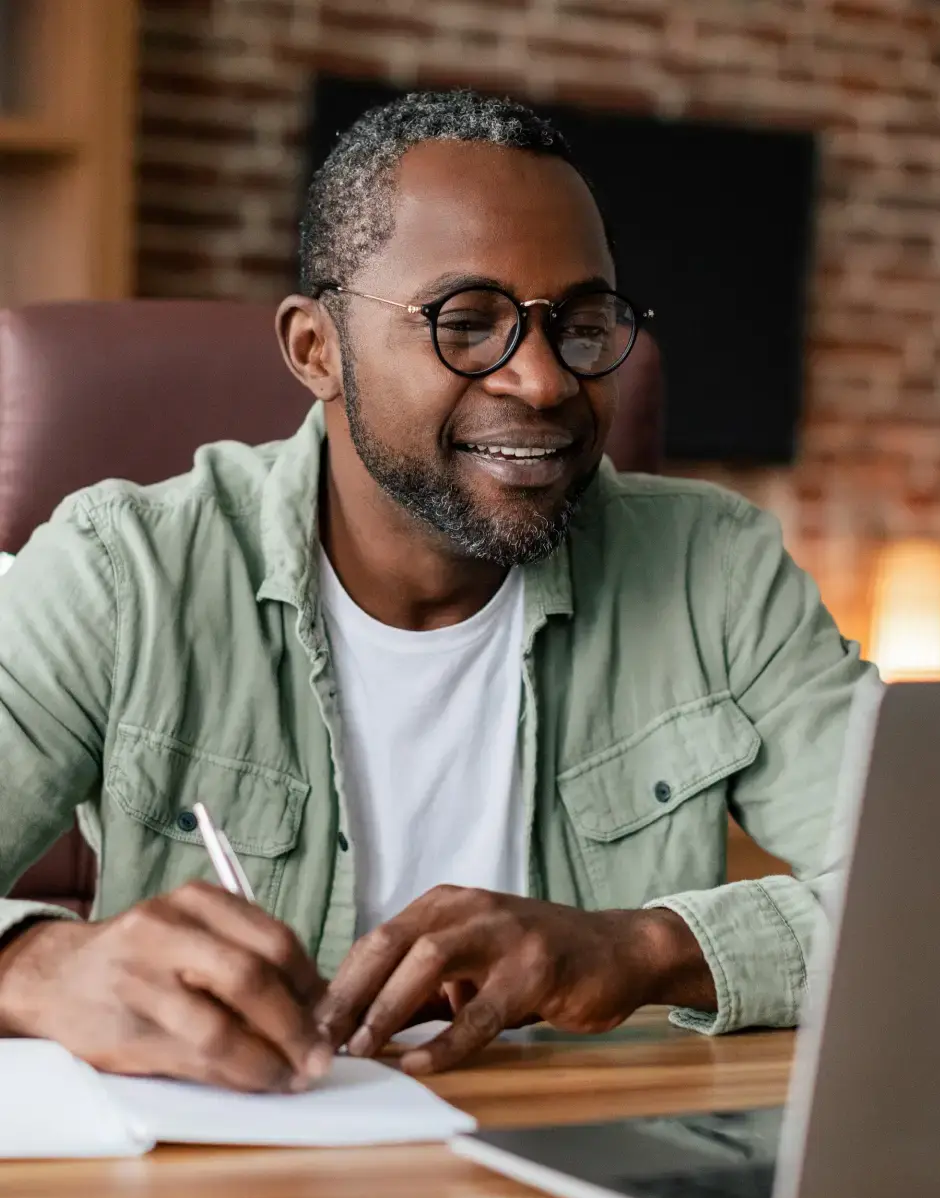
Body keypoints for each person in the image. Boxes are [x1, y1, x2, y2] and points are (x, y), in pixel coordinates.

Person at [0, 91, 875, 1093]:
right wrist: (39, 964)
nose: (544, 382)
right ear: (314, 349)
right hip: (234, 1173)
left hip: (584, 1156)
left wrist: (636, 949)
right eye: (468, 323)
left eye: (582, 325)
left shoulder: (714, 569)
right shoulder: (123, 575)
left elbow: (938, 897)